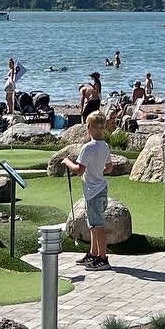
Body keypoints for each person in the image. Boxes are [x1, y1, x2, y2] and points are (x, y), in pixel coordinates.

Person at [64, 111, 113, 271]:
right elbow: (109, 167)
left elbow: (79, 169)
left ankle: (103, 258)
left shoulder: (87, 148)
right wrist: (97, 169)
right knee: (92, 224)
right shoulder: (105, 146)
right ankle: (93, 253)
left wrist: (67, 162)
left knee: (97, 226)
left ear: (89, 127)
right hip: (99, 189)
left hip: (93, 191)